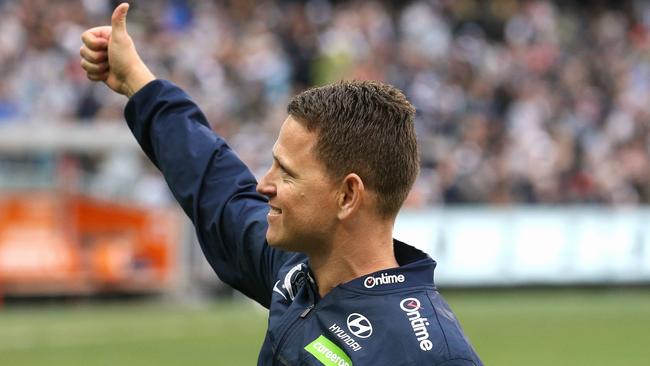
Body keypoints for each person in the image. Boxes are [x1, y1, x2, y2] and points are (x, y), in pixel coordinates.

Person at [80, 3, 483, 365]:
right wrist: (137, 80)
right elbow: (216, 184)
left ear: (347, 196)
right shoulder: (296, 272)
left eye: (286, 173)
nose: (264, 185)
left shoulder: (428, 354)